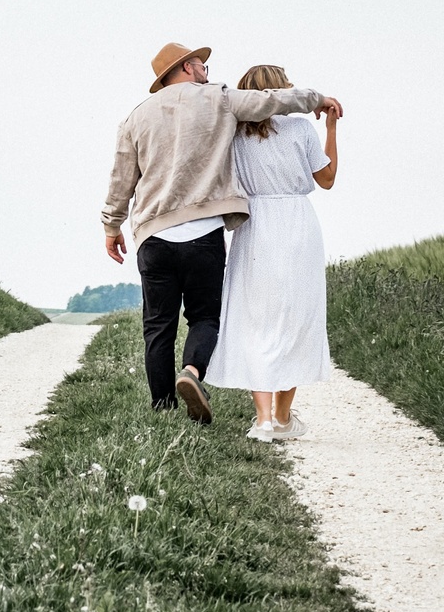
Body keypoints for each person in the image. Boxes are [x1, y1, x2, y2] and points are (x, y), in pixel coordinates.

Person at [101, 43, 341, 422]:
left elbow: (121, 180)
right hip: (204, 233)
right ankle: (192, 371)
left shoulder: (135, 118)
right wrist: (318, 99)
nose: (206, 72)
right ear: (187, 68)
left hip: (153, 234)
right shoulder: (218, 100)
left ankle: (163, 409)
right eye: (202, 65)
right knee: (204, 317)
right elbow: (271, 101)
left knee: (158, 325)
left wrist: (111, 225)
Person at [203, 63, 339, 441]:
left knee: (255, 320)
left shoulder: (233, 134)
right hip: (297, 224)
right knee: (295, 318)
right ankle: (282, 416)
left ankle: (263, 419)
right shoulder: (301, 130)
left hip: (254, 225)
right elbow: (327, 180)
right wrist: (331, 128)